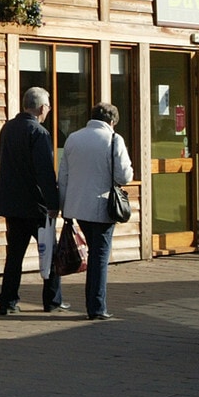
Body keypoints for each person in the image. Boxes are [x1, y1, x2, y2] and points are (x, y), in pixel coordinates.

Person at [58, 103, 135, 320]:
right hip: (102, 207)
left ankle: (94, 305)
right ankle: (96, 306)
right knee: (100, 257)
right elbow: (124, 177)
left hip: (78, 206)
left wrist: (64, 206)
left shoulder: (73, 138)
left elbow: (63, 175)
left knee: (94, 254)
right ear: (112, 122)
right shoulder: (114, 139)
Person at [0, 87, 62, 314]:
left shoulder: (7, 129)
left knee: (14, 256)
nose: (48, 110)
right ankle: (52, 301)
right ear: (42, 108)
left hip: (12, 204)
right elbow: (45, 172)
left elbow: (0, 157)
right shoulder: (39, 133)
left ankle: (7, 302)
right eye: (48, 107)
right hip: (36, 206)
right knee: (50, 253)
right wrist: (54, 204)